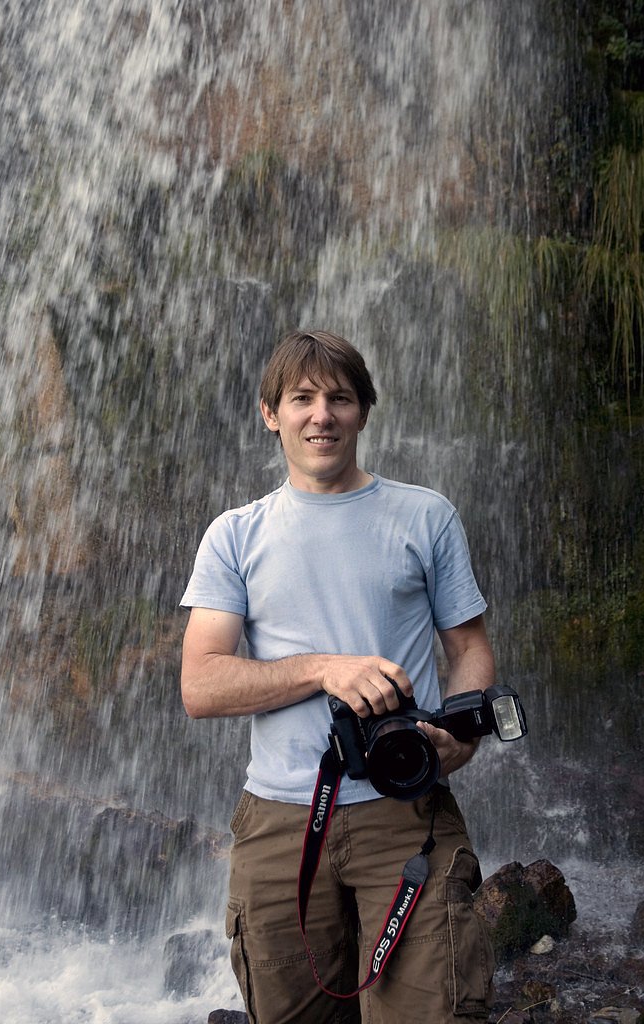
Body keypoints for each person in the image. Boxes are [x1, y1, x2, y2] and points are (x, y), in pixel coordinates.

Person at [180, 329, 496, 1024]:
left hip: (407, 808)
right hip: (281, 820)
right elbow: (201, 686)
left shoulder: (426, 515)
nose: (321, 415)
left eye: (340, 398)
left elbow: (469, 649)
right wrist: (325, 669)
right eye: (302, 398)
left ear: (363, 411)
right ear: (271, 413)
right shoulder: (234, 535)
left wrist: (462, 734)